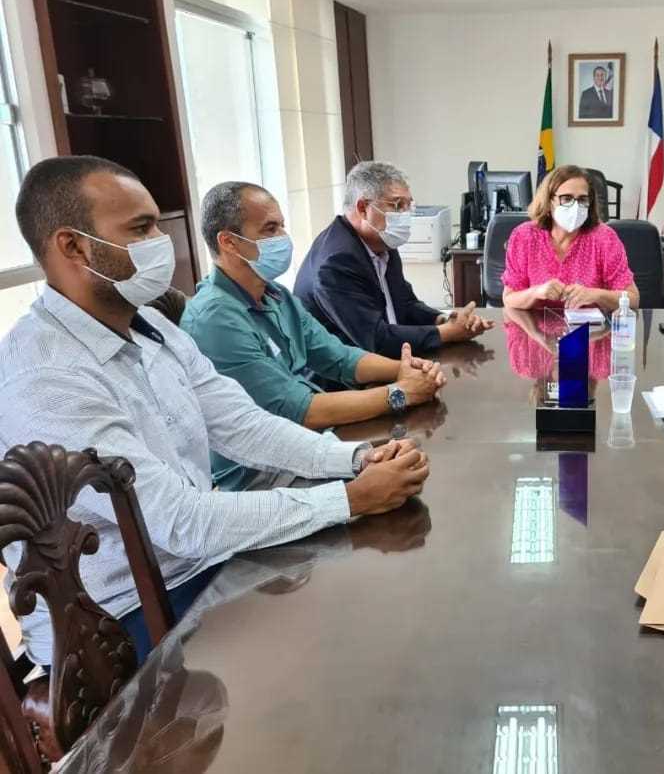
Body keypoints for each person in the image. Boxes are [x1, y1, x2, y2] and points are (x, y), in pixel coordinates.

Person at [0, 156, 430, 665]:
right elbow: (179, 522)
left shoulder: (152, 329)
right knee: (336, 646)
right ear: (73, 246)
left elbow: (245, 427)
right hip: (117, 619)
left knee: (374, 600)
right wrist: (349, 499)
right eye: (140, 229)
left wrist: (356, 459)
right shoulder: (46, 377)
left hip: (197, 566)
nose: (162, 241)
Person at [181, 181, 445, 491]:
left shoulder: (275, 295)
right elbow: (299, 410)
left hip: (311, 444)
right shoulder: (215, 320)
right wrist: (400, 393)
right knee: (404, 481)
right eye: (270, 229)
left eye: (282, 226)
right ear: (229, 242)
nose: (283, 237)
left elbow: (338, 356)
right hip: (260, 474)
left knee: (414, 459)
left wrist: (405, 369)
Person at [294, 161, 494, 358]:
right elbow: (376, 339)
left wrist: (443, 319)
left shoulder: (382, 243)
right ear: (363, 208)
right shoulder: (336, 261)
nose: (406, 215)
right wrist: (447, 333)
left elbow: (405, 303)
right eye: (397, 205)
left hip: (383, 360)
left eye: (408, 205)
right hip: (342, 375)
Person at [502, 164, 640, 311]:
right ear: (549, 202)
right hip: (535, 324)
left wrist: (596, 295)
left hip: (590, 325)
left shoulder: (604, 238)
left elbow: (633, 299)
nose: (575, 207)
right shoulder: (524, 236)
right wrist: (536, 292)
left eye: (582, 199)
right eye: (567, 198)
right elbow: (509, 299)